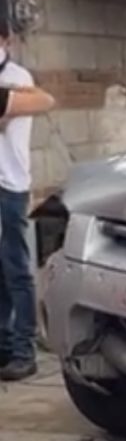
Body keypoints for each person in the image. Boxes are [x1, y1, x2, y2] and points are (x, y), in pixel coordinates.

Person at [0, 24, 56, 381]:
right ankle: (5, 345)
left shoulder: (18, 77)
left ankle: (24, 349)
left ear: (6, 41)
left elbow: (38, 102)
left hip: (8, 185)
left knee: (16, 268)